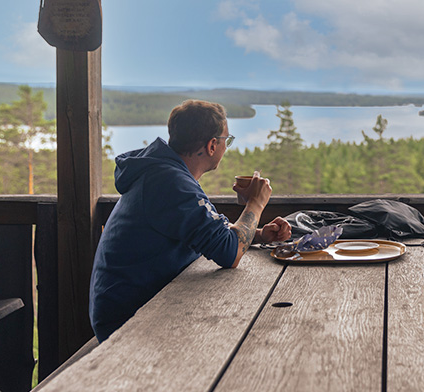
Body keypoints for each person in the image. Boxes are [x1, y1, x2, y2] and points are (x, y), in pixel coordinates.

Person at [89, 99, 291, 342]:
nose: (227, 147)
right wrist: (256, 203)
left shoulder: (164, 173)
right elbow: (230, 254)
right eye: (227, 140)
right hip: (128, 320)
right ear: (212, 145)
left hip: (138, 304)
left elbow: (205, 229)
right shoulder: (171, 183)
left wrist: (257, 234)